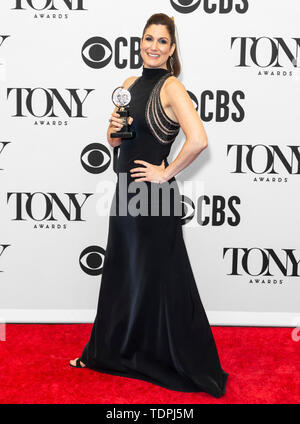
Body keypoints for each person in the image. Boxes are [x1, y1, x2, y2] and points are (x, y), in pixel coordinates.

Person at [70, 13, 228, 398]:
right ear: (139, 43)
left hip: (153, 196)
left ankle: (170, 358)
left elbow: (199, 139)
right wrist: (112, 132)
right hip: (125, 191)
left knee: (161, 277)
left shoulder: (172, 87)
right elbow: (118, 143)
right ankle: (106, 352)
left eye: (162, 41)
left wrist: (166, 172)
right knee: (124, 274)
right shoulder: (129, 84)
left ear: (172, 49)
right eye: (148, 39)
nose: (153, 46)